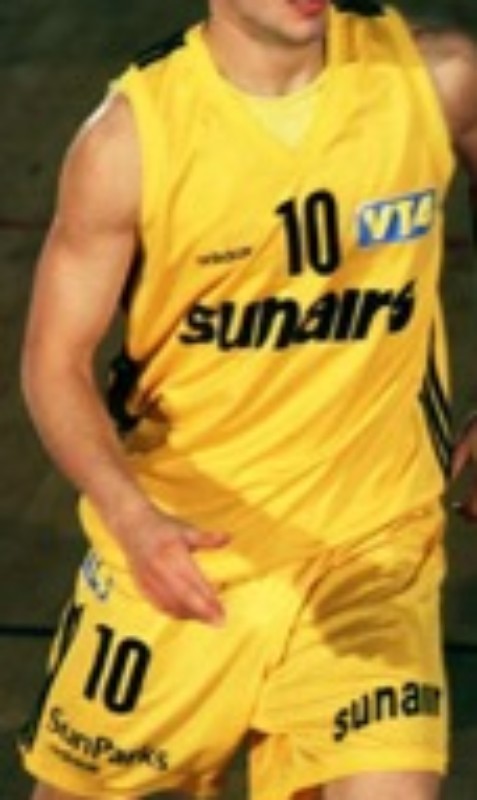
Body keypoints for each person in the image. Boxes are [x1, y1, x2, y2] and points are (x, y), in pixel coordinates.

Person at [17, 0, 477, 797]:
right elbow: (52, 361)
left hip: (371, 550)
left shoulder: (436, 79)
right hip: (186, 561)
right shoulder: (130, 142)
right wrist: (131, 518)